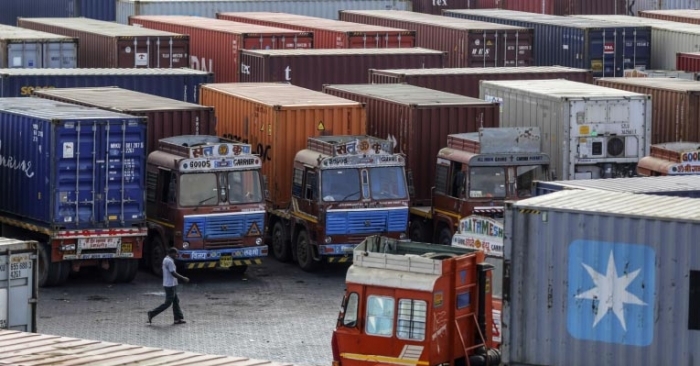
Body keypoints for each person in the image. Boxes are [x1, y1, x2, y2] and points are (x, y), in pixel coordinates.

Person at [147, 247, 190, 325]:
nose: (176, 255)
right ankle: (152, 313)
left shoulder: (166, 259)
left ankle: (178, 318)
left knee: (176, 301)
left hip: (171, 284)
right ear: (171, 253)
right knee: (168, 303)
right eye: (176, 254)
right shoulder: (169, 261)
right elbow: (173, 273)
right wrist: (183, 278)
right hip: (170, 285)